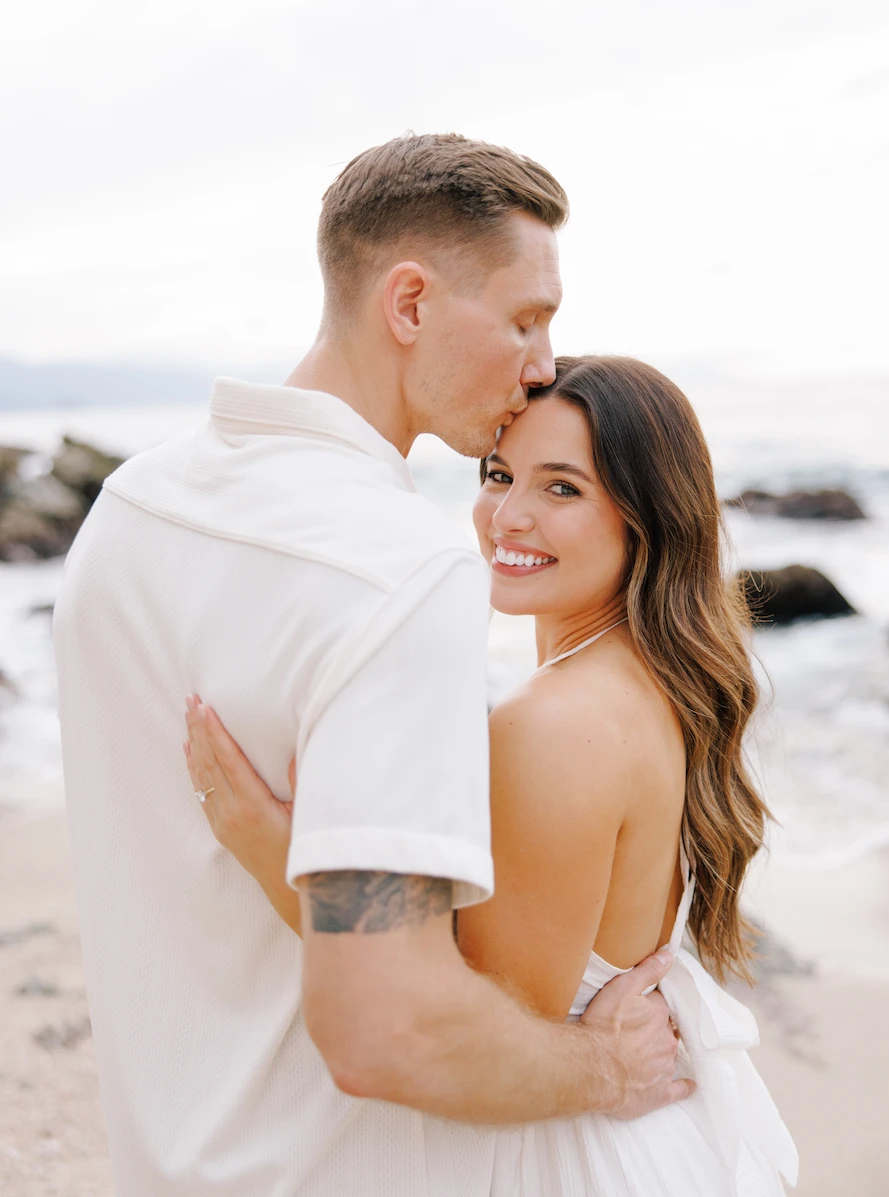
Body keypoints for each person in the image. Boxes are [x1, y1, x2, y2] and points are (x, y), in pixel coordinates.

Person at [53, 135, 686, 1197]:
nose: (541, 361)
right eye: (526, 318)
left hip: (161, 1156)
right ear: (409, 304)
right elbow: (389, 1028)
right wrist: (607, 1063)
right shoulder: (398, 569)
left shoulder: (129, 511)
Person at [184, 355, 799, 1195]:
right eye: (499, 474)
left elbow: (474, 1023)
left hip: (572, 1159)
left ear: (646, 517)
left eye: (561, 489)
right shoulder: (660, 682)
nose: (506, 517)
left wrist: (274, 854)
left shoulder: (553, 724)